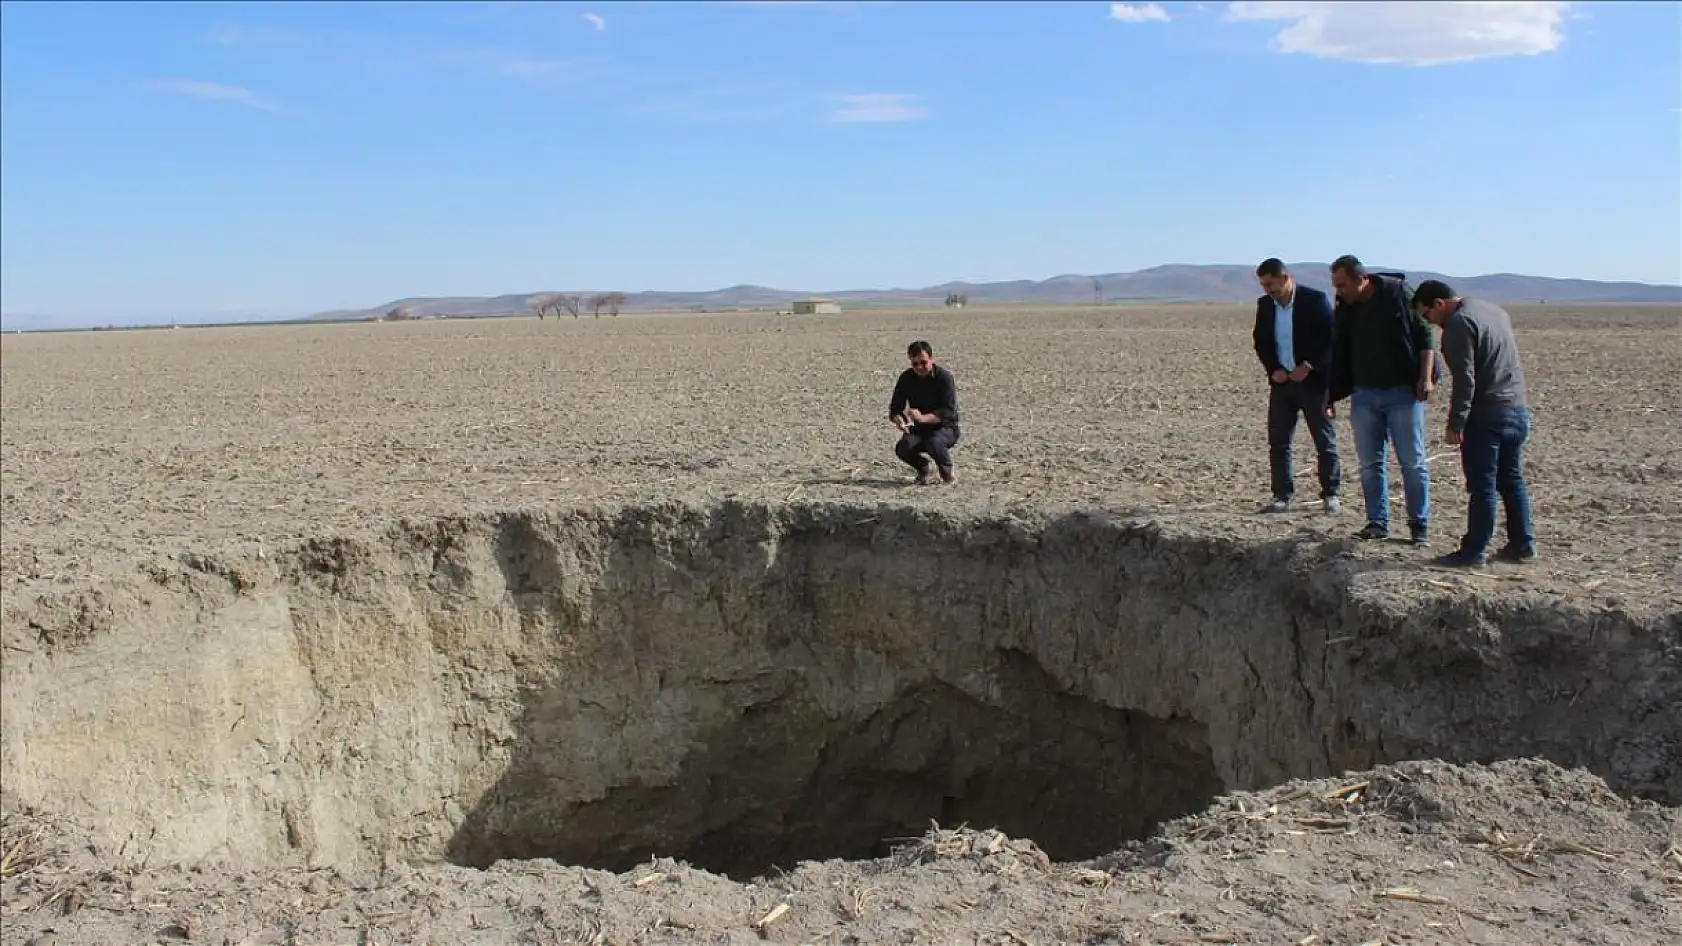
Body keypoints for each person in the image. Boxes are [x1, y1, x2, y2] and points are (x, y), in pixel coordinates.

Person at [1412, 280, 1535, 567]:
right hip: (1516, 407)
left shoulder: (1458, 324)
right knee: (1512, 480)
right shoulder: (1492, 310)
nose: (1429, 323)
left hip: (1487, 415)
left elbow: (1465, 380)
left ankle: (1474, 551)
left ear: (1439, 304)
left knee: (1483, 486)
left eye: (1427, 315)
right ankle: (1523, 545)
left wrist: (1456, 422)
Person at [1327, 255, 1439, 545]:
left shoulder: (1397, 293)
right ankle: (1377, 522)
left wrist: (1425, 378)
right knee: (1369, 462)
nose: (1338, 292)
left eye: (1341, 285)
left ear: (1360, 279)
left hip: (1403, 392)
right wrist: (1331, 394)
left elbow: (1425, 338)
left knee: (1412, 461)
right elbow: (1339, 351)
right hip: (1364, 394)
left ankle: (1419, 525)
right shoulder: (1346, 308)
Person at [1251, 258, 1341, 515]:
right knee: (1279, 442)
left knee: (1324, 441)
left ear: (1285, 278)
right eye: (1263, 285)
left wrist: (1309, 365)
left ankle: (1331, 494)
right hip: (1282, 386)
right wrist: (1274, 369)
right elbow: (1261, 342)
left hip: (1313, 384)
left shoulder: (1314, 300)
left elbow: (1330, 338)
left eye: (1271, 284)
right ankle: (1281, 495)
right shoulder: (1265, 306)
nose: (1268, 290)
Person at [888, 340, 960, 485]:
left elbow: (948, 411)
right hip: (920, 429)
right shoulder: (906, 379)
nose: (920, 367)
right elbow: (896, 407)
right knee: (903, 448)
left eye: (923, 362)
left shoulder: (944, 378)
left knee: (934, 443)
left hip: (945, 428)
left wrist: (923, 417)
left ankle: (948, 474)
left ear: (931, 359)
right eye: (915, 364)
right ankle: (924, 468)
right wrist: (899, 420)